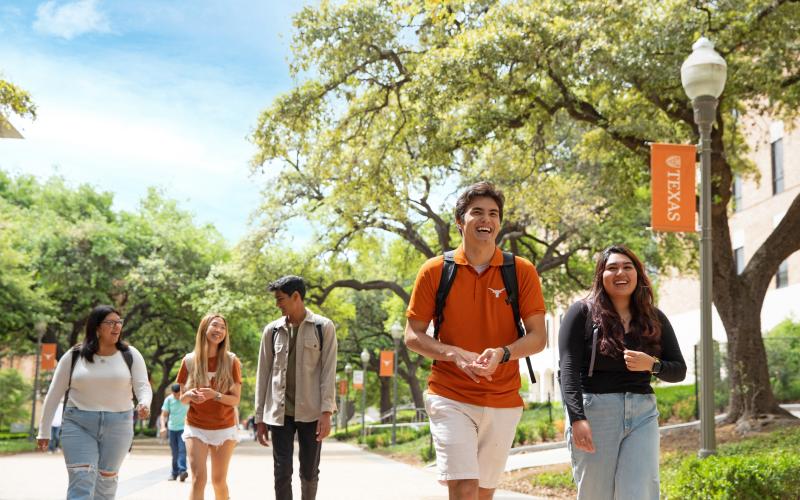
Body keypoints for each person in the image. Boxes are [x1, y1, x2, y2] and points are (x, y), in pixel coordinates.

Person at [405, 181, 547, 500]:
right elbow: (412, 335)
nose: (486, 219)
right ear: (461, 221)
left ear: (499, 222)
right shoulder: (435, 271)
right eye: (477, 212)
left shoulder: (521, 271)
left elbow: (539, 337)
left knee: (482, 493)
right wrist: (453, 354)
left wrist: (503, 353)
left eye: (493, 213)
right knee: (465, 487)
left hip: (503, 398)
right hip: (449, 393)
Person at [558, 245, 687, 499]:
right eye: (612, 268)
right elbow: (568, 370)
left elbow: (679, 370)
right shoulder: (581, 313)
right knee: (596, 493)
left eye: (627, 267)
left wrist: (652, 365)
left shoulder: (654, 317)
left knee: (640, 492)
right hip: (596, 411)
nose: (621, 273)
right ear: (600, 275)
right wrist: (577, 417)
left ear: (638, 274)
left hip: (642, 412)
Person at [37, 305, 152, 499]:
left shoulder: (131, 355)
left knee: (106, 483)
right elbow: (54, 393)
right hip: (78, 423)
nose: (116, 327)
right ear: (97, 327)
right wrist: (44, 430)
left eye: (119, 322)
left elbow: (143, 386)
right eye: (110, 323)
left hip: (119, 425)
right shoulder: (75, 355)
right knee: (81, 479)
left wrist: (145, 403)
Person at [255, 275, 338, 500]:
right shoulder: (271, 331)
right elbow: (262, 375)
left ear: (296, 297)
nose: (277, 304)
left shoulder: (323, 327)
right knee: (282, 472)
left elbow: (329, 373)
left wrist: (326, 412)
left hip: (311, 412)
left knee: (309, 471)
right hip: (279, 413)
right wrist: (260, 417)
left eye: (280, 299)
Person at [177, 313, 242, 500]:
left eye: (223, 327)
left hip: (225, 427)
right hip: (196, 426)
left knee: (218, 481)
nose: (219, 330)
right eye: (215, 325)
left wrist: (215, 395)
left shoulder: (231, 361)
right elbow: (182, 398)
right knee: (198, 479)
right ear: (204, 329)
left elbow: (235, 400)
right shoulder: (189, 361)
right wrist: (189, 395)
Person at [160, 383, 189, 482]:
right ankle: (174, 473)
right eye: (175, 395)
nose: (177, 397)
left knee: (182, 450)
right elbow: (163, 415)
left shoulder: (186, 398)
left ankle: (182, 471)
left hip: (183, 429)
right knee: (175, 452)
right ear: (172, 393)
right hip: (172, 429)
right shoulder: (169, 400)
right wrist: (163, 427)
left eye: (179, 394)